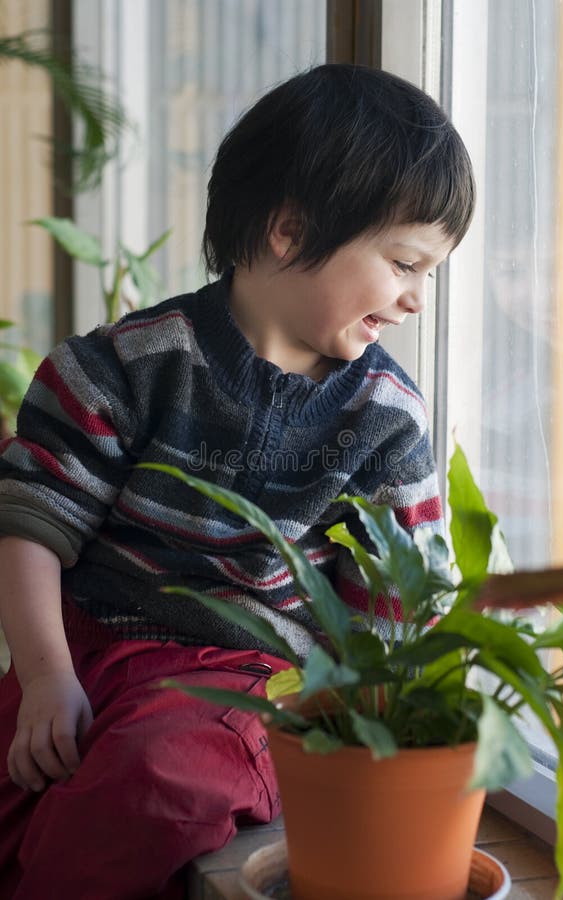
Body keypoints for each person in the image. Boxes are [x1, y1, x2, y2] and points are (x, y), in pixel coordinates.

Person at [0, 63, 474, 899]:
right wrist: (44, 675)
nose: (415, 301)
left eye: (429, 275)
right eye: (405, 263)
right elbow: (32, 524)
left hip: (247, 686)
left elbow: (405, 595)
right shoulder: (126, 366)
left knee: (154, 782)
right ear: (289, 231)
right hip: (87, 652)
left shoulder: (386, 418)